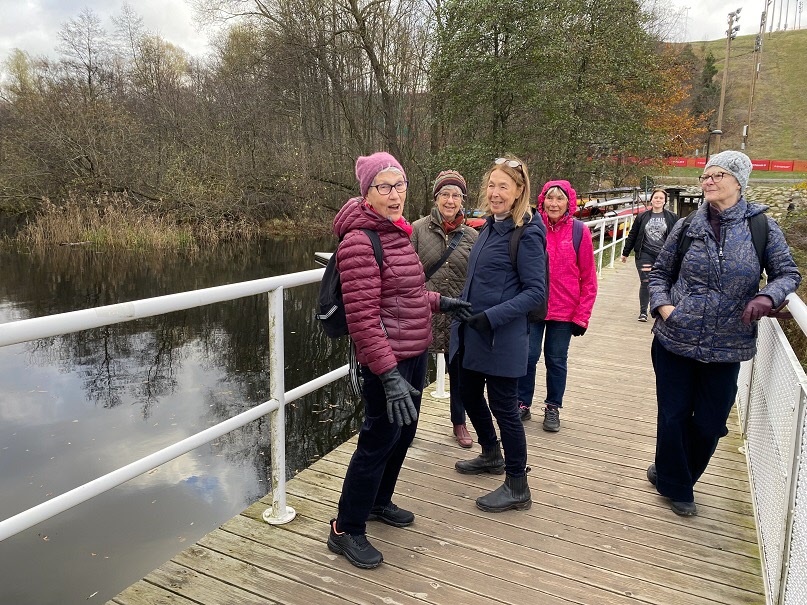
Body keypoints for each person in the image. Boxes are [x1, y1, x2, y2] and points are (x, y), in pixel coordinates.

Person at [327, 152, 471, 568]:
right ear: (367, 193)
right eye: (384, 187)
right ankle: (345, 529)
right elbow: (363, 318)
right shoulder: (360, 242)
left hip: (412, 352)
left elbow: (407, 294)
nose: (395, 195)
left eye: (400, 185)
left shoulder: (395, 232)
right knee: (377, 442)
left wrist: (440, 301)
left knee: (402, 435)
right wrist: (388, 375)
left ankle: (377, 502)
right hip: (385, 362)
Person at [647, 150, 800, 517]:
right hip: (676, 337)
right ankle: (678, 486)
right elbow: (660, 273)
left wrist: (767, 296)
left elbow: (788, 274)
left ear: (738, 182)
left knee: (711, 423)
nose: (708, 181)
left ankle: (669, 472)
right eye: (705, 176)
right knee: (673, 416)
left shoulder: (762, 227)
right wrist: (665, 308)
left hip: (728, 344)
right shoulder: (688, 225)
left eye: (717, 175)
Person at [450, 155, 547, 512]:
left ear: (519, 191)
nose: (495, 193)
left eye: (503, 186)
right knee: (468, 392)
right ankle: (491, 452)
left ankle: (518, 484)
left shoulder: (528, 232)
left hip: (501, 337)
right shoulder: (489, 227)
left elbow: (535, 292)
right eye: (491, 185)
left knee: (505, 408)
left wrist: (491, 317)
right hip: (472, 332)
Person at [516, 180, 598, 431]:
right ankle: (522, 402)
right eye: (550, 198)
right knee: (527, 357)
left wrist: (582, 316)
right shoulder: (532, 227)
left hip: (565, 310)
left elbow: (589, 278)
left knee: (556, 360)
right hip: (534, 306)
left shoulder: (579, 231)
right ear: (542, 201)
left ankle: (553, 406)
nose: (554, 203)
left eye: (559, 199)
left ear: (568, 202)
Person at [412, 170, 479, 448]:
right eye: (445, 194)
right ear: (436, 198)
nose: (450, 200)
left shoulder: (472, 235)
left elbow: (478, 276)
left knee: (460, 374)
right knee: (414, 373)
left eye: (456, 195)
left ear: (462, 200)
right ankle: (408, 426)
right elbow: (405, 273)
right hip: (422, 313)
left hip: (456, 314)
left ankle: (459, 422)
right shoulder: (417, 230)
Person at [621, 188, 679, 321]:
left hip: (663, 256)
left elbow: (677, 237)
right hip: (645, 254)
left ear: (664, 201)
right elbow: (633, 235)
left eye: (661, 198)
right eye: (656, 197)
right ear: (651, 200)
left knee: (663, 283)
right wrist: (625, 253)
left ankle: (658, 308)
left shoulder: (672, 217)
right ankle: (643, 312)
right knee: (646, 281)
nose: (658, 200)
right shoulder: (642, 217)